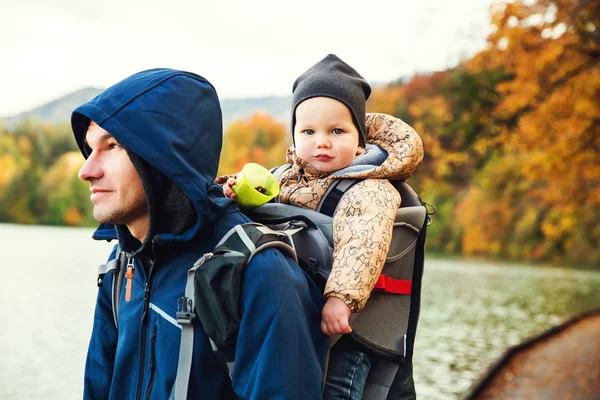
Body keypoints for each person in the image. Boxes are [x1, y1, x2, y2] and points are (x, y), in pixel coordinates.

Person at [72, 68, 328, 400]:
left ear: (163, 156)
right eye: (90, 149)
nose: (86, 170)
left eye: (113, 145)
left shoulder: (258, 272)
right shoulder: (123, 262)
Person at [219, 54, 424, 399]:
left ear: (359, 141)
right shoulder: (284, 177)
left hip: (347, 328)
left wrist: (340, 299)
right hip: (294, 315)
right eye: (309, 131)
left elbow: (363, 244)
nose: (322, 142)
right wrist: (232, 189)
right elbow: (256, 207)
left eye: (337, 131)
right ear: (295, 136)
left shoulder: (369, 188)